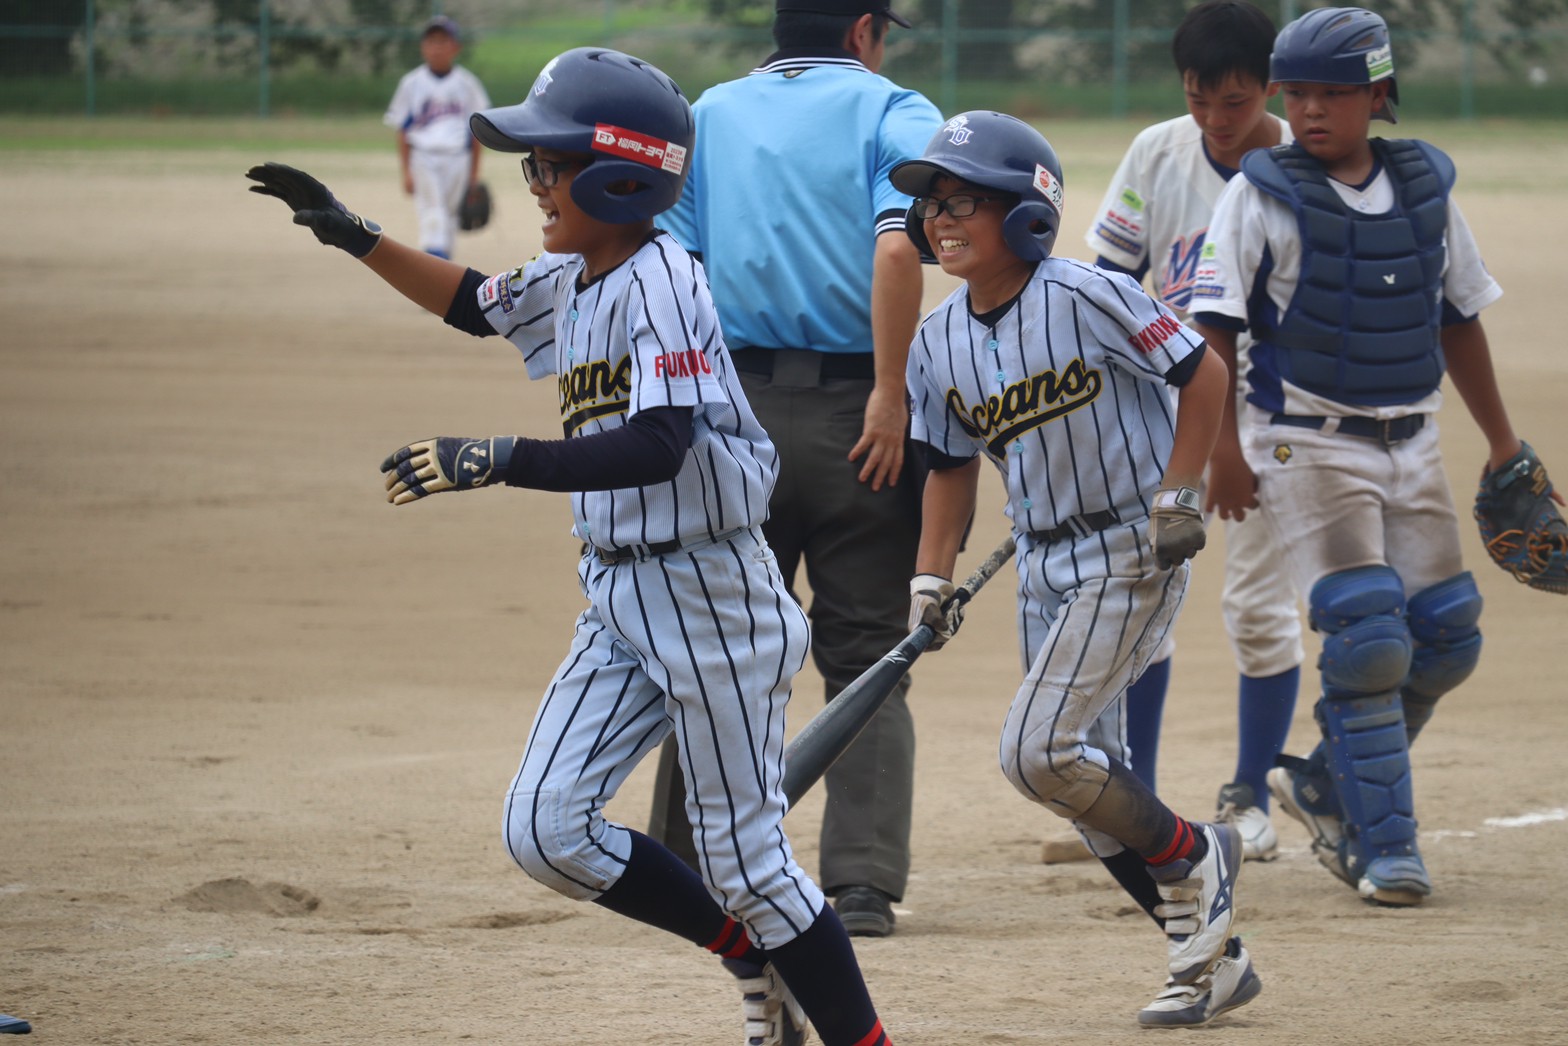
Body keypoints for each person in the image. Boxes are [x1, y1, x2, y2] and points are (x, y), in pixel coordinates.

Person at [247, 47, 893, 1046]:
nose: (533, 181)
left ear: (616, 174)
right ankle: (743, 952)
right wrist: (357, 237)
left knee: (750, 859)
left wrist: (499, 456)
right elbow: (475, 304)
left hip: (712, 594)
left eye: (549, 163)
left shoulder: (662, 276)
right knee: (544, 828)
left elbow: (658, 440)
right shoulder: (574, 275)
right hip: (623, 599)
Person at [896, 109, 1259, 1028]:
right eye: (933, 204)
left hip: (1133, 549)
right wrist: (930, 581)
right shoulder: (934, 342)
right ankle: (1213, 958)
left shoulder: (1087, 293)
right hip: (1043, 566)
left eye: (964, 201)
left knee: (1036, 754)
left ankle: (1196, 851)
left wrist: (1180, 492)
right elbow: (945, 467)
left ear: (1026, 212)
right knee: (1095, 798)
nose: (941, 219)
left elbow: (1202, 372)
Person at [1193, 7, 1530, 907]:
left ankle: (1323, 781)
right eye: (1296, 92)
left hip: (1412, 436)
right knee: (1370, 639)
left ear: (1378, 94)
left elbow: (1458, 317)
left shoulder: (1424, 188)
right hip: (1303, 441)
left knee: (1448, 636)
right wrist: (1223, 450)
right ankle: (1384, 849)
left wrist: (1505, 443)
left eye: (1333, 93)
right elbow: (1213, 331)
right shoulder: (1259, 192)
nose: (1309, 111)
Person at [656, 0, 943, 939]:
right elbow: (899, 243)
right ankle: (859, 884)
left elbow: (677, 266)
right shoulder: (896, 110)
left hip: (729, 406)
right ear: (864, 27)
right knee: (864, 651)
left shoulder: (710, 115)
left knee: (715, 649)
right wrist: (893, 395)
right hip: (861, 409)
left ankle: (684, 867)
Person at [1071, 0, 1304, 863]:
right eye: (1200, 99)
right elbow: (1109, 280)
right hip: (1160, 418)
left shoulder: (1296, 164)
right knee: (1143, 614)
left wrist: (1234, 443)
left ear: (1269, 88)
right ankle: (1140, 805)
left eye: (1235, 103)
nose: (1215, 120)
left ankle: (1251, 794)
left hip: (1268, 419)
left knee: (1256, 608)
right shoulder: (1158, 150)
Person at [383, 15, 490, 259]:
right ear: (423, 47)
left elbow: (477, 132)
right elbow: (402, 130)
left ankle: (443, 273)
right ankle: (434, 264)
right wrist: (406, 171)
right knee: (432, 212)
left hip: (458, 158)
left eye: (444, 41)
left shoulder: (468, 84)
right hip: (423, 157)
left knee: (451, 216)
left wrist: (474, 176)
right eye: (432, 41)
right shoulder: (411, 83)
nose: (437, 47)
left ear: (456, 47)